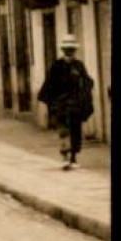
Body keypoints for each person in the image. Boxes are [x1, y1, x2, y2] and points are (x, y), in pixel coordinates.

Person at [38, 36, 95, 170]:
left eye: (72, 50)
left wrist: (86, 88)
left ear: (74, 51)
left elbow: (87, 81)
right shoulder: (57, 65)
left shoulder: (79, 65)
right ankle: (65, 156)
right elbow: (50, 83)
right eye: (67, 50)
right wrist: (51, 102)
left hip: (75, 104)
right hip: (61, 104)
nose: (69, 52)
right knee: (63, 130)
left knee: (76, 130)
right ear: (63, 50)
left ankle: (74, 157)